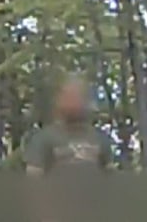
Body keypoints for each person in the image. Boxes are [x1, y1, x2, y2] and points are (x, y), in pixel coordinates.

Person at [23, 75, 112, 222]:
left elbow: (110, 182)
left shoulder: (100, 139)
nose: (73, 103)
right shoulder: (44, 138)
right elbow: (33, 183)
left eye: (78, 97)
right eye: (69, 97)